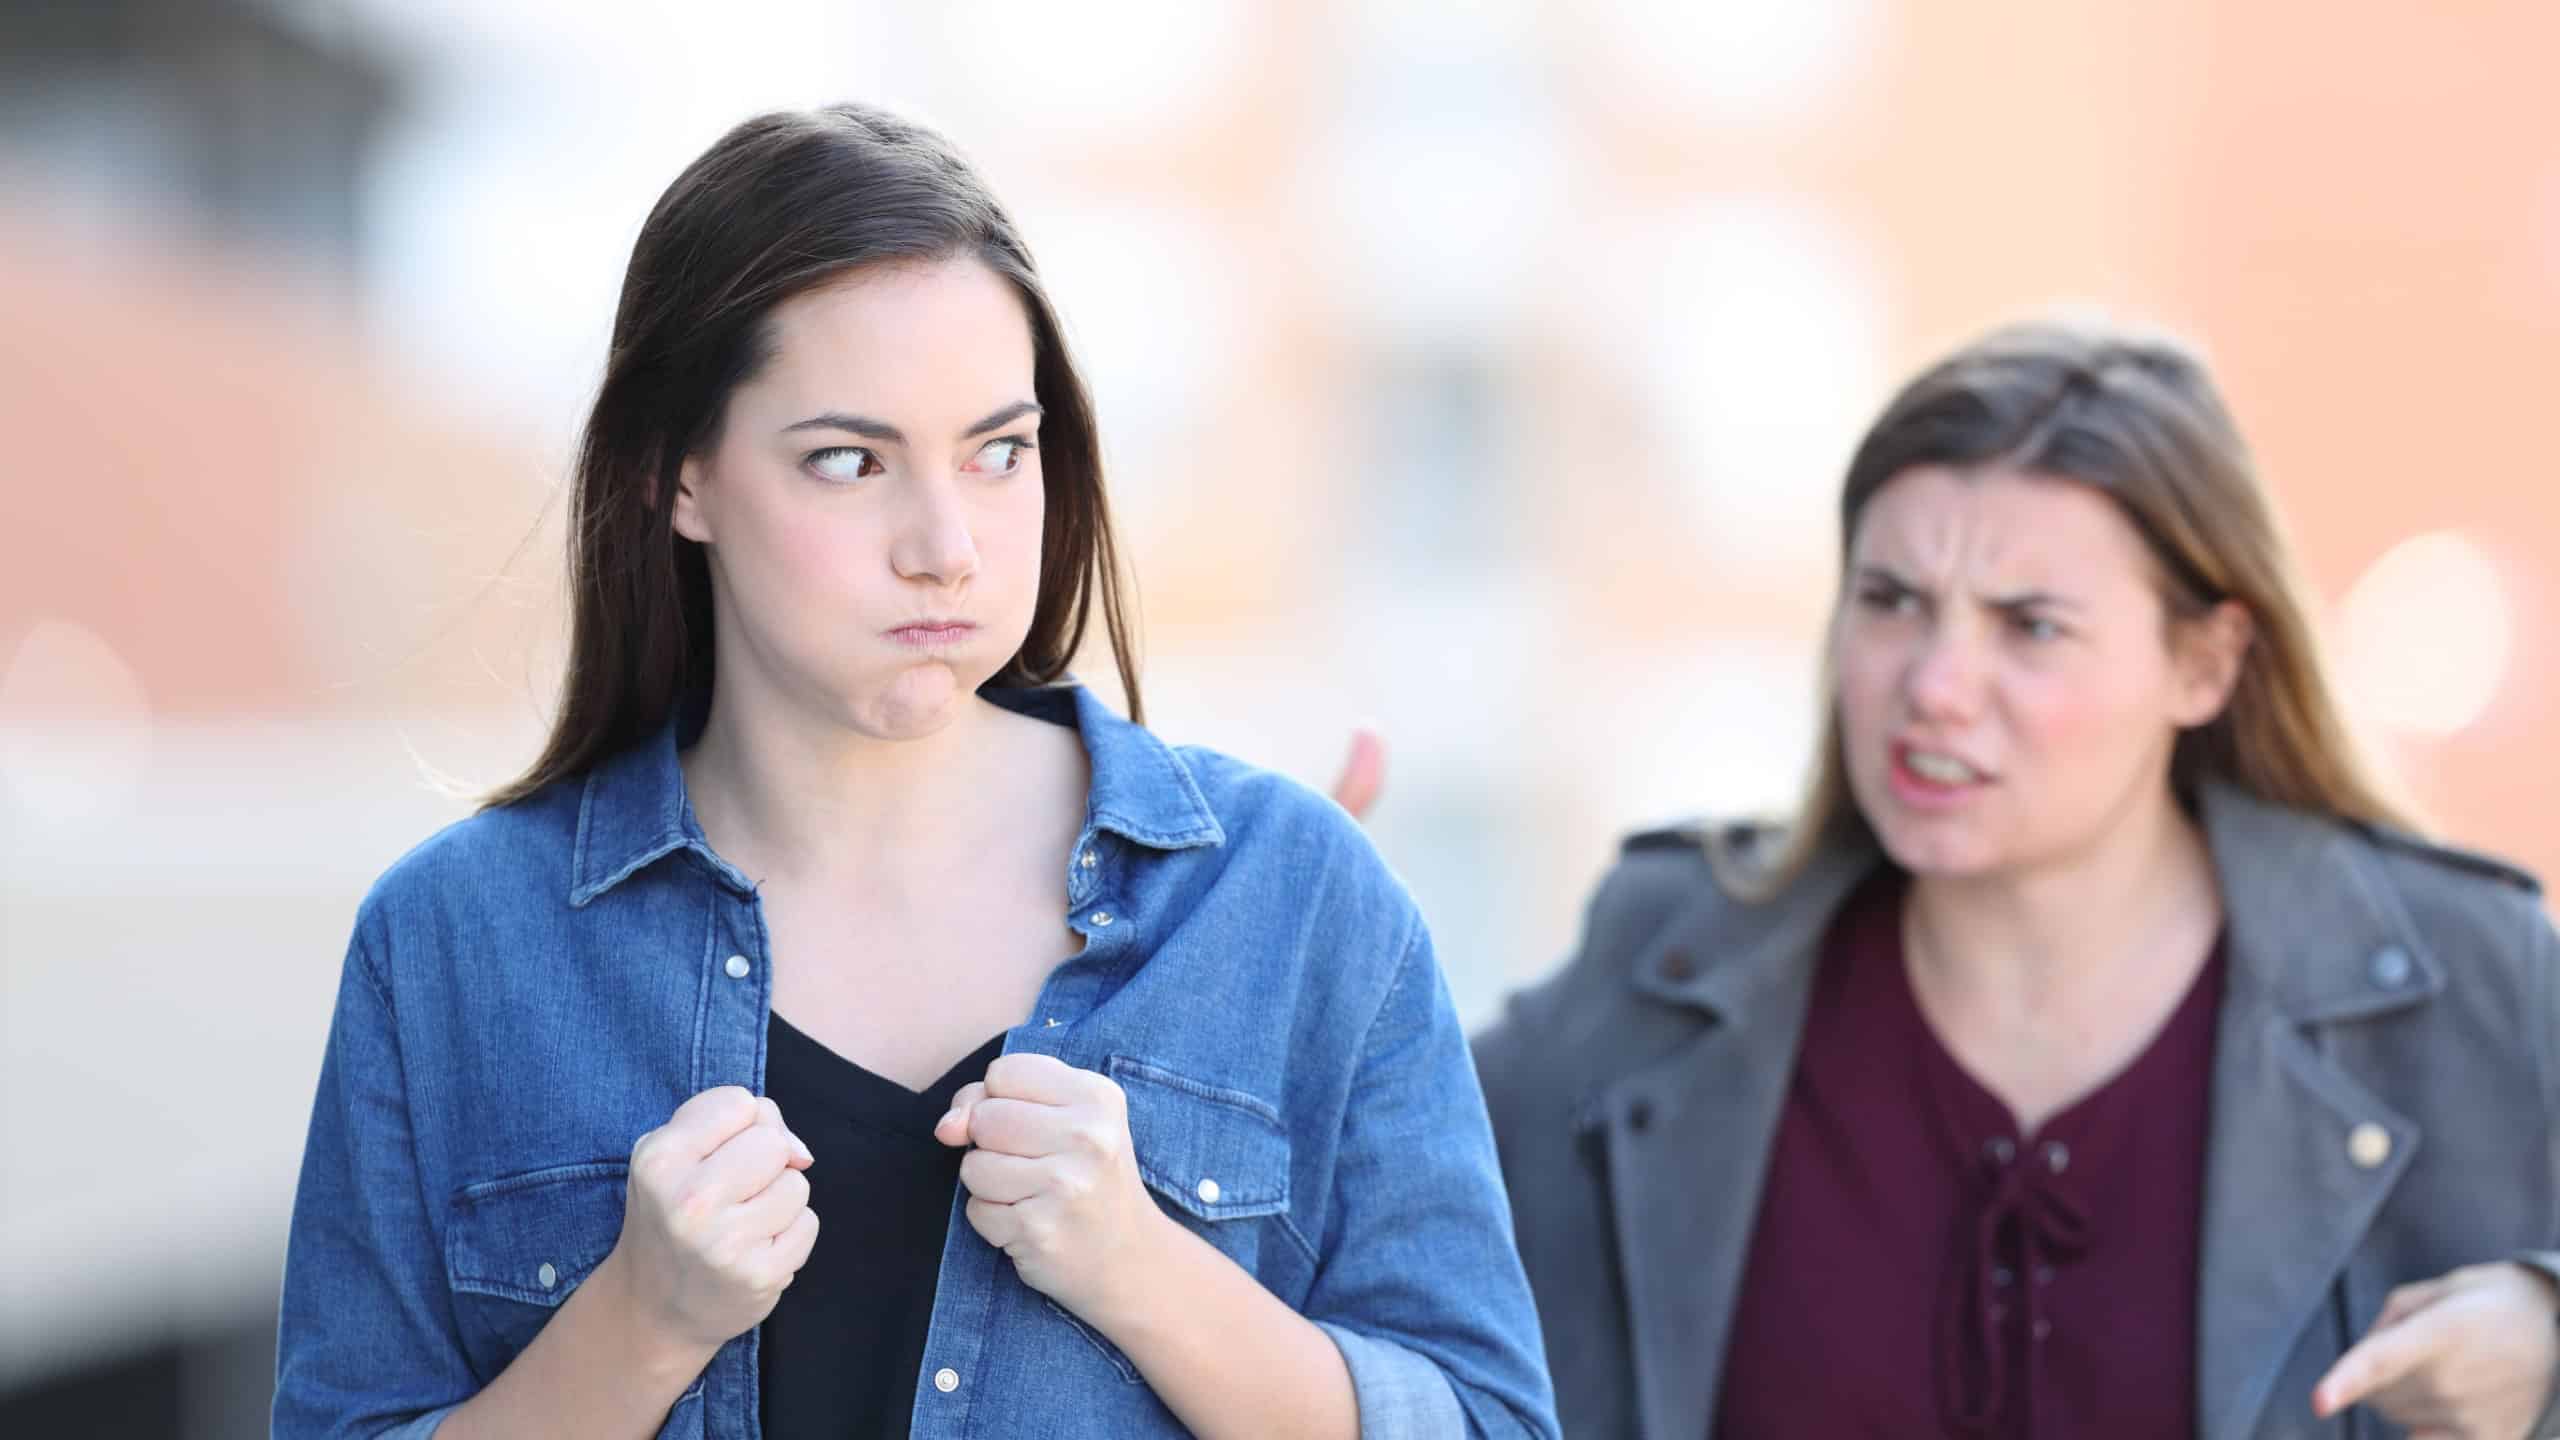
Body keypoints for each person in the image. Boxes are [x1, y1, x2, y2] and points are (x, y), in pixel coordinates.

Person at [273, 103, 1557, 1440]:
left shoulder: (1297, 901)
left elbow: (1492, 1422)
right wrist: (635, 1325)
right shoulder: (452, 944)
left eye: (999, 452)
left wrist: (1150, 1275)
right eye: (848, 460)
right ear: (680, 478)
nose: (945, 544)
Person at [1440, 321, 2559, 1437]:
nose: (1935, 684)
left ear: (2203, 663)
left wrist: (2550, 1338)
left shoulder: (2472, 983)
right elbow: (1359, 1208)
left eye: (2029, 627)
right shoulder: (1664, 963)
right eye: (1890, 601)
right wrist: (1287, 911)